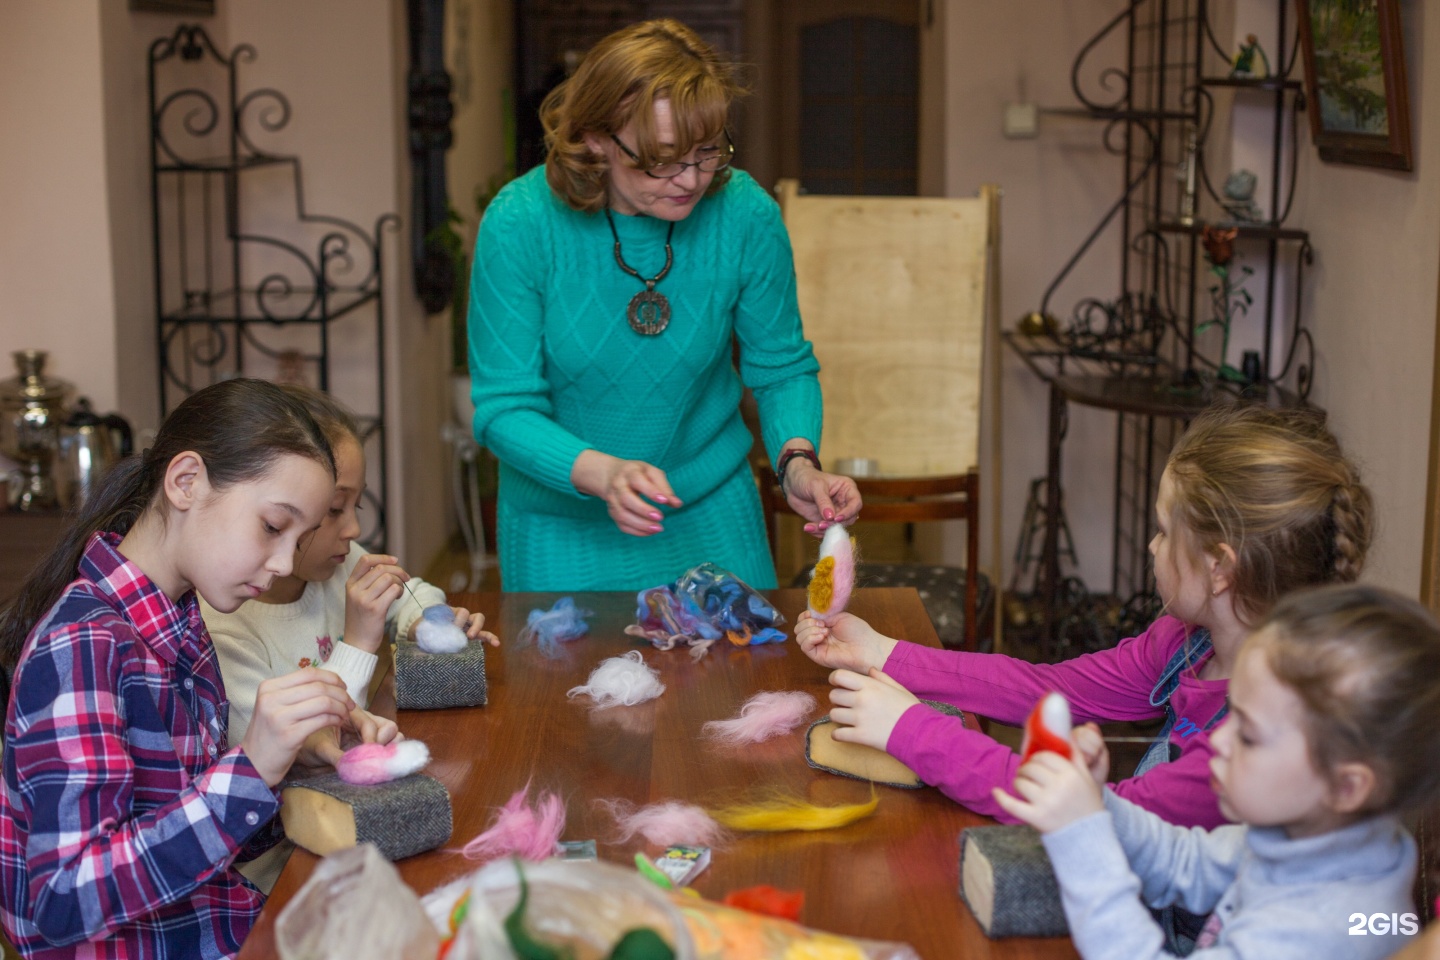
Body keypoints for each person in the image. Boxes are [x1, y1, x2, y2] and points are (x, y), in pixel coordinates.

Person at [796, 402, 1372, 829]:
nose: (1151, 546)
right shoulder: (1186, 642)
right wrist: (881, 652)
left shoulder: (1255, 741)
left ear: (1221, 568)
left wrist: (911, 730)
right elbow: (1050, 689)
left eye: (1165, 532)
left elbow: (1094, 820)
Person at [467, 18, 861, 591]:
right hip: (562, 527)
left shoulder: (744, 214)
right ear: (595, 138)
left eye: (708, 152)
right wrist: (604, 475)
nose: (692, 179)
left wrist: (796, 464)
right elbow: (503, 407)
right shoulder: (521, 222)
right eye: (662, 158)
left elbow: (781, 368)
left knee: (747, 680)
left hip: (712, 509)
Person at [0, 379, 381, 959]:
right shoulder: (83, 644)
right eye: (273, 526)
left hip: (221, 927)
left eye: (297, 538)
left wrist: (289, 761)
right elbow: (63, 897)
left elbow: (201, 842)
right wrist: (250, 768)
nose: (283, 563)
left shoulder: (181, 623)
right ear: (185, 482)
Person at [995, 583, 1436, 959]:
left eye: (1248, 736)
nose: (1218, 740)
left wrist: (1082, 835)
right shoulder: (1318, 834)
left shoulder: (1320, 932)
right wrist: (1097, 802)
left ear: (1347, 786)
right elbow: (1184, 861)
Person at [200, 385, 498, 893]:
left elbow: (413, 592)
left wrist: (432, 621)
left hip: (357, 838)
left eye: (354, 505)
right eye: (334, 511)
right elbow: (315, 745)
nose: (353, 528)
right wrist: (360, 640)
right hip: (284, 871)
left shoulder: (335, 565)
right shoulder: (226, 627)